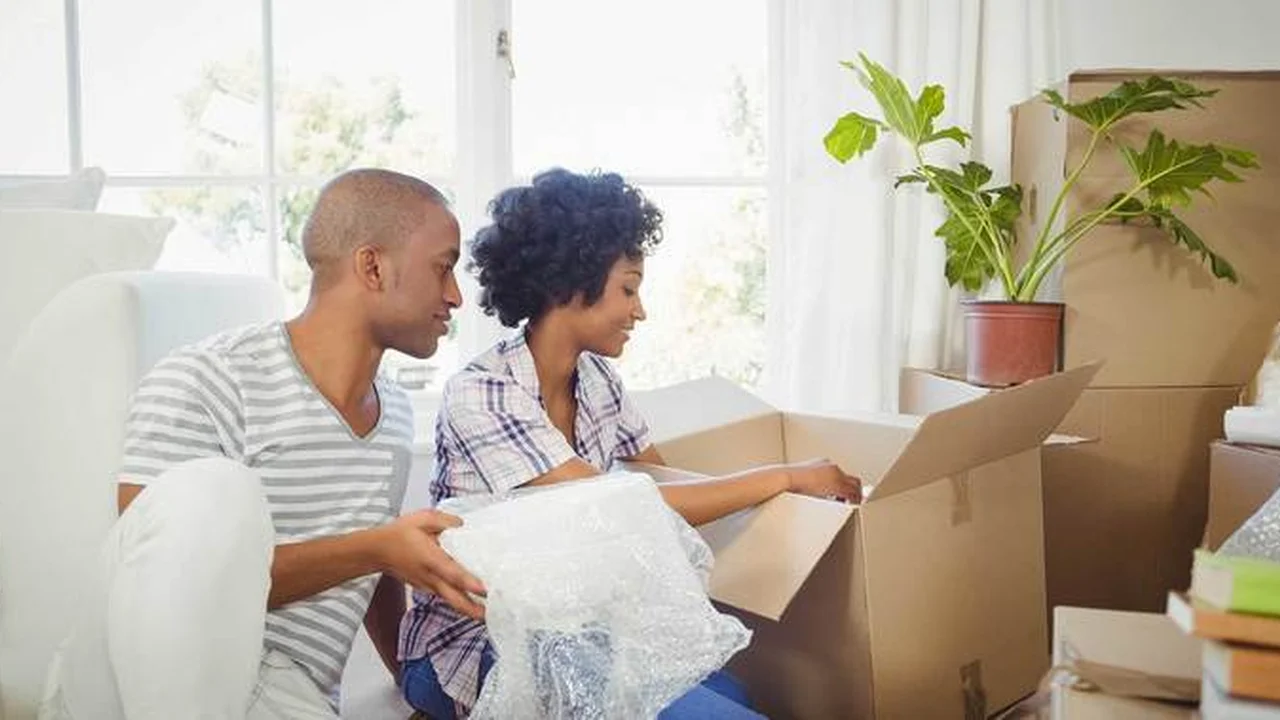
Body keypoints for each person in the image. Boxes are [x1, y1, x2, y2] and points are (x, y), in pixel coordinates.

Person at [397, 168, 862, 718]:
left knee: (738, 693)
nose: (640, 311)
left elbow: (664, 492)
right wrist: (786, 475)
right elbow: (624, 503)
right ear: (568, 285)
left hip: (578, 629)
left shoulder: (599, 382)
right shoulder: (482, 393)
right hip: (472, 643)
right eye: (628, 288)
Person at [39, 169, 487, 720]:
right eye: (443, 268)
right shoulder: (207, 376)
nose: (456, 295)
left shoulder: (391, 414)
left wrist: (419, 687)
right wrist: (376, 546)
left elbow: (370, 569)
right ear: (373, 266)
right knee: (218, 490)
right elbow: (157, 586)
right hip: (131, 686)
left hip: (285, 694)